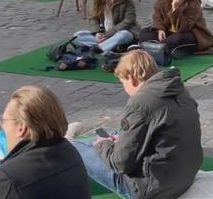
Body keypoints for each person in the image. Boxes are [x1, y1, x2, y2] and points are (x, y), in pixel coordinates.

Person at [70, 51, 202, 198]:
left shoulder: (141, 103)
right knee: (116, 134)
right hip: (184, 177)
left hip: (150, 188)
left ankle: (71, 143)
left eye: (123, 82)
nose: (124, 88)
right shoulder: (179, 91)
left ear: (132, 78)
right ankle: (96, 141)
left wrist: (103, 145)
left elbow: (120, 163)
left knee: (71, 148)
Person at [0, 86, 90, 198]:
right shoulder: (70, 152)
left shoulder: (5, 179)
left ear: (21, 128)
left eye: (3, 120)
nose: (2, 126)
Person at [140, 0, 213, 54]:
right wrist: (160, 28)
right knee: (144, 33)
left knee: (177, 39)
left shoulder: (192, 2)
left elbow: (183, 28)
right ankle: (160, 47)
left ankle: (156, 48)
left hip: (189, 33)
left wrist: (176, 9)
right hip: (169, 32)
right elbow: (157, 15)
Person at [73, 0, 139, 55]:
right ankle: (109, 46)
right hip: (104, 34)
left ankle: (99, 48)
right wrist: (97, 32)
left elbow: (129, 20)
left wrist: (108, 34)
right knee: (77, 36)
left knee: (123, 34)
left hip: (123, 32)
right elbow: (93, 18)